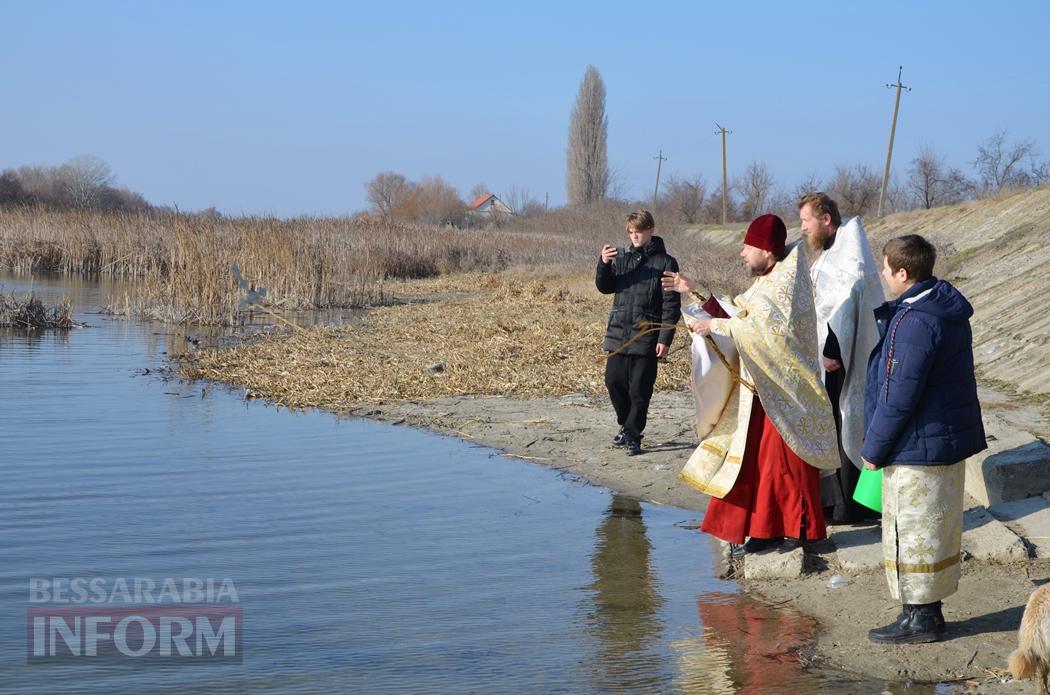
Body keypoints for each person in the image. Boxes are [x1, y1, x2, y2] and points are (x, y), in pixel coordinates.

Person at [663, 214, 839, 553]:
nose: (743, 254)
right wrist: (695, 294)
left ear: (767, 251)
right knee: (756, 463)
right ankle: (762, 530)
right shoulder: (767, 279)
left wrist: (714, 324)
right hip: (763, 387)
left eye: (748, 247)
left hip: (788, 392)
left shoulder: (786, 284)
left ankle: (797, 531)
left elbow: (766, 332)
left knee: (784, 467)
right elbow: (742, 316)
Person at [862, 234, 986, 644]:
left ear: (903, 273)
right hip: (942, 440)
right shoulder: (941, 306)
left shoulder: (916, 320)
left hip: (918, 445)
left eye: (886, 268)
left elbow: (899, 394)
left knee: (911, 531)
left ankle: (921, 620)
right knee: (935, 530)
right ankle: (925, 613)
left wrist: (874, 449)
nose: (882, 274)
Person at [799, 192, 885, 523]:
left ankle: (851, 506)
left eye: (807, 220)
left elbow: (848, 302)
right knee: (832, 425)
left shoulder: (849, 251)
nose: (804, 228)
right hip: (828, 356)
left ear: (825, 219)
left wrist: (832, 350)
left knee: (846, 423)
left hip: (842, 359)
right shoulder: (826, 253)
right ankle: (834, 502)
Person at [596, 210, 681, 456]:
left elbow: (671, 305)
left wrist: (665, 338)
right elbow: (605, 287)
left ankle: (633, 436)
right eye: (631, 232)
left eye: (639, 232)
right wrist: (603, 263)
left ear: (651, 230)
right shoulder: (620, 258)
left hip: (647, 334)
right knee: (613, 381)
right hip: (618, 332)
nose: (634, 236)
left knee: (640, 390)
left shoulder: (666, 263)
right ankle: (626, 425)